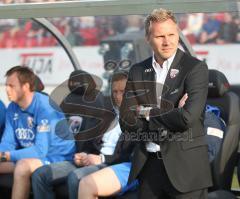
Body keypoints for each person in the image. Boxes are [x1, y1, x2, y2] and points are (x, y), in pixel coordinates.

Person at [119, 8, 212, 199]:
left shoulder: (195, 68)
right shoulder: (137, 70)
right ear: (148, 38)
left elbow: (186, 118)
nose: (167, 41)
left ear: (178, 33)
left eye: (171, 34)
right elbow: (126, 122)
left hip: (186, 169)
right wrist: (172, 114)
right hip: (148, 167)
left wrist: (145, 112)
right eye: (160, 36)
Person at [32, 71, 135, 199]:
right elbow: (91, 142)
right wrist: (84, 154)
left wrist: (101, 159)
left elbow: (130, 155)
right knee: (40, 174)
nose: (118, 96)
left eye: (123, 91)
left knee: (76, 177)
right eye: (115, 92)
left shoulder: (139, 118)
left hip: (112, 164)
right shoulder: (107, 114)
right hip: (90, 159)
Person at [0, 66, 75, 199]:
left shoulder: (45, 107)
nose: (7, 89)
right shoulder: (12, 107)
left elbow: (41, 151)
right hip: (32, 157)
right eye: (6, 85)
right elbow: (8, 142)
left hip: (58, 158)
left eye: (11, 86)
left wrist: (5, 156)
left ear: (25, 86)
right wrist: (2, 154)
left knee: (22, 167)